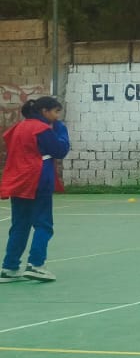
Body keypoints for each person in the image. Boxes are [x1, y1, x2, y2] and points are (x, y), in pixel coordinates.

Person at [1, 96, 70, 282]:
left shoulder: (18, 127)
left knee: (19, 225)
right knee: (43, 224)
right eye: (55, 112)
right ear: (44, 111)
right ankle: (36, 265)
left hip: (19, 180)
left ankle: (9, 266)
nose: (57, 116)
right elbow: (60, 150)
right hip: (38, 180)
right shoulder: (42, 129)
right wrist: (61, 131)